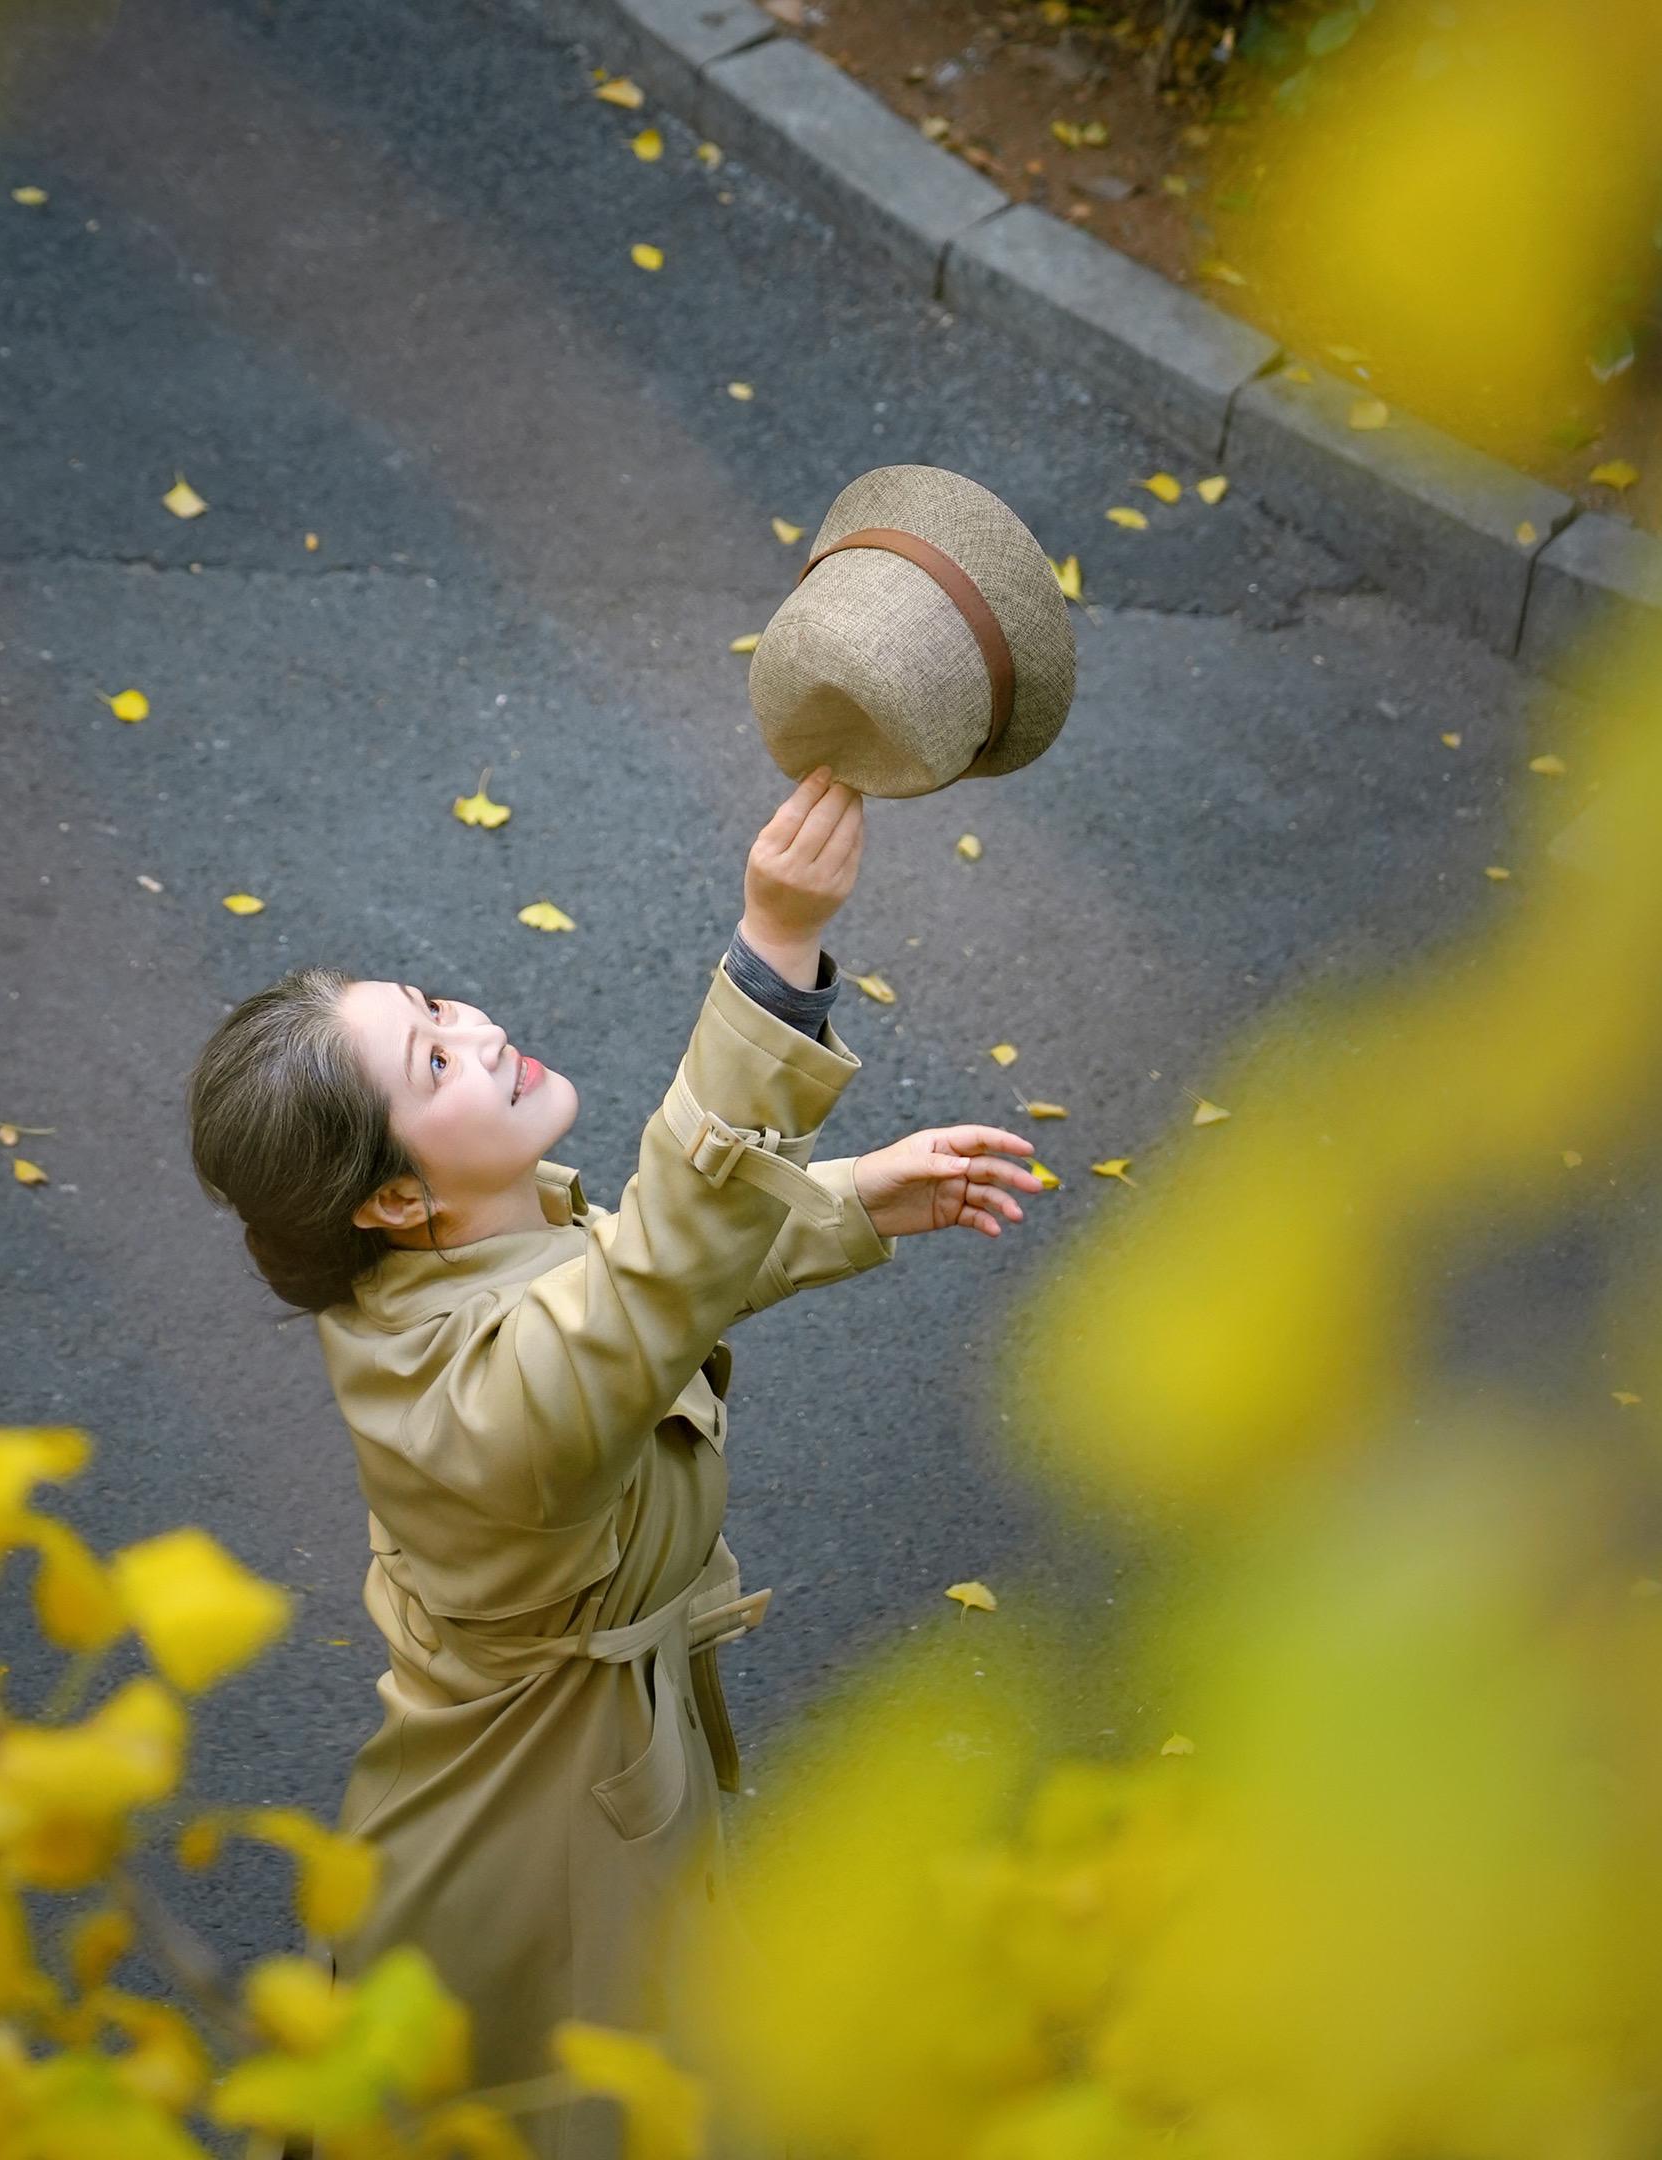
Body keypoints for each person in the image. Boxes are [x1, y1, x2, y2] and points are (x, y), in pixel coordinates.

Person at [185, 766, 1043, 2157]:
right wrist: (770, 960)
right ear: (396, 1195)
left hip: (561, 1790)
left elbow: (625, 1296)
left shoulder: (444, 1283)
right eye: (435, 1061)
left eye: (438, 1009)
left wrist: (844, 1203)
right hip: (530, 1857)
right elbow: (636, 1295)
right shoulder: (474, 1399)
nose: (477, 1030)